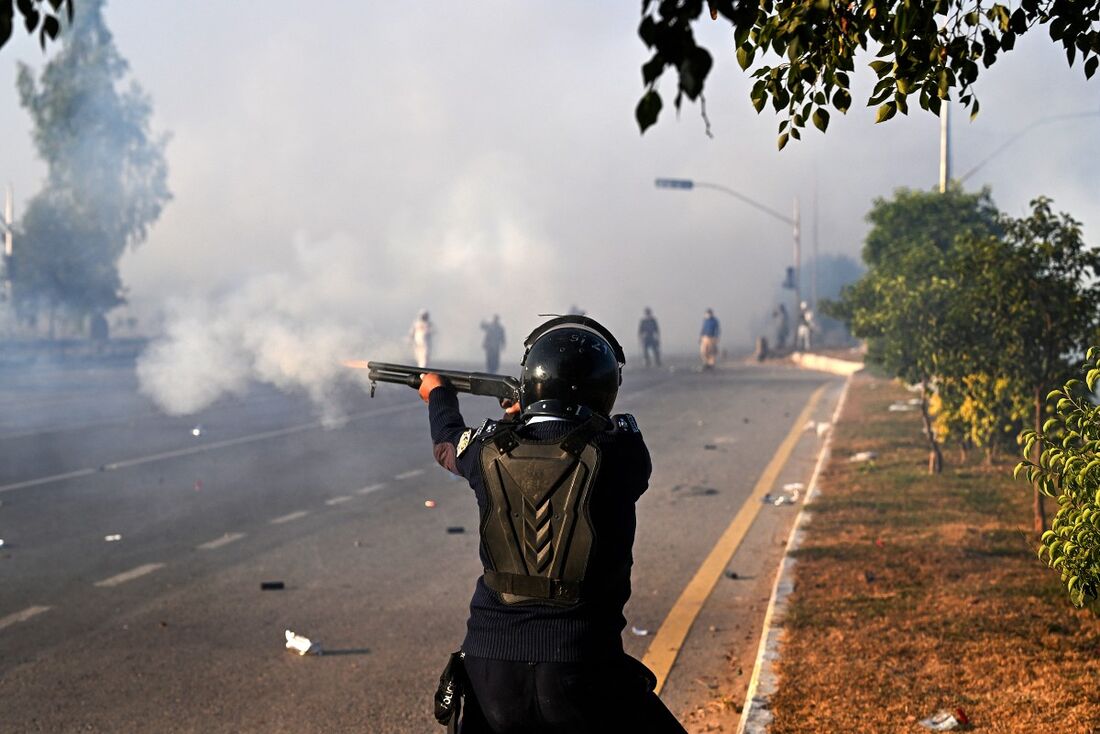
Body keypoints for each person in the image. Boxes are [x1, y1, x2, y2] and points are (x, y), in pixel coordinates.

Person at [419, 315, 687, 734]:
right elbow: (581, 440)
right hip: (581, 670)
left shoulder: (487, 452)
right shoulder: (622, 456)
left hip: (490, 674)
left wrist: (438, 395)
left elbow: (448, 443)